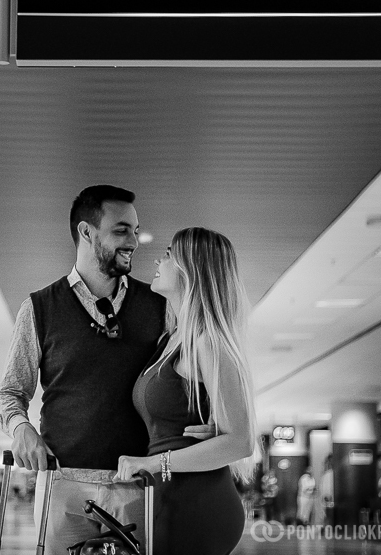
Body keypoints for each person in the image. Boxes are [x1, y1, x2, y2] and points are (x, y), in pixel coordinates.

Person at [0, 185, 213, 555]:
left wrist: (210, 421)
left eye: (135, 229)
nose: (134, 241)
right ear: (86, 232)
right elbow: (10, 393)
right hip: (62, 484)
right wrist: (22, 428)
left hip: (139, 484)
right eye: (121, 230)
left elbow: (192, 377)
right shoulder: (38, 309)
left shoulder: (162, 306)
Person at [115, 228, 255, 555]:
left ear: (191, 269)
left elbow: (241, 441)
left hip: (198, 502)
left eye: (168, 253)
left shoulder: (207, 343)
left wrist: (154, 463)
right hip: (170, 496)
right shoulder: (171, 339)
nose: (158, 260)